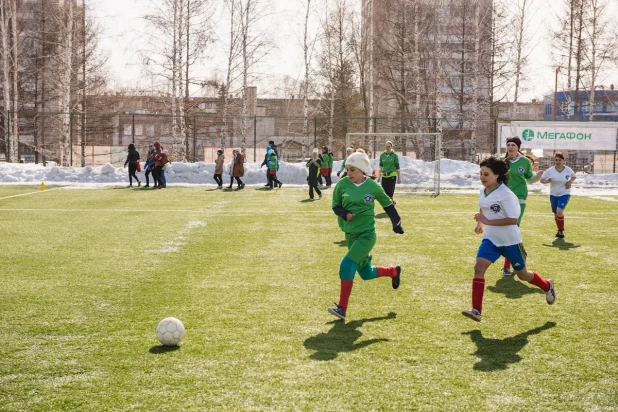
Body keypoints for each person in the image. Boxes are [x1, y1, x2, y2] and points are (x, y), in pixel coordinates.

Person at [461, 157, 555, 323]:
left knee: (523, 275)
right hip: (491, 239)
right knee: (479, 267)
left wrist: (488, 221)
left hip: (511, 241)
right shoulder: (483, 190)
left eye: (486, 174)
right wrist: (480, 223)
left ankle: (547, 285)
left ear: (497, 175)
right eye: (481, 173)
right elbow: (484, 206)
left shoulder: (506, 195)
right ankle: (476, 310)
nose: (482, 177)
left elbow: (513, 219)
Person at [328, 152, 405, 321]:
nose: (349, 173)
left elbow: (388, 205)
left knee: (346, 265)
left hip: (366, 235)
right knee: (366, 273)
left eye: (353, 169)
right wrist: (344, 213)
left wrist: (396, 223)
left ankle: (342, 308)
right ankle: (393, 271)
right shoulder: (342, 185)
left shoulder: (373, 187)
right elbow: (335, 206)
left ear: (362, 170)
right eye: (347, 169)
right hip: (350, 235)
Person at [500, 136, 543, 276]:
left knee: (512, 229)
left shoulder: (524, 162)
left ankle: (508, 266)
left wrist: (537, 176)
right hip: (504, 200)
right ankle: (518, 256)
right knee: (506, 231)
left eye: (513, 145)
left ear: (518, 147)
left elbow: (529, 179)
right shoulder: (501, 161)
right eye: (508, 145)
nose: (510, 147)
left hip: (519, 199)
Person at [540, 152, 576, 239]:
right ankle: (559, 230)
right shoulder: (550, 170)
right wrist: (546, 181)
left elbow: (573, 176)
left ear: (563, 160)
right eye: (556, 160)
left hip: (564, 193)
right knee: (556, 213)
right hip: (553, 194)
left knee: (559, 211)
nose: (558, 161)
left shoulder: (567, 169)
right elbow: (542, 180)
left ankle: (561, 231)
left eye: (560, 160)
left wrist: (570, 181)